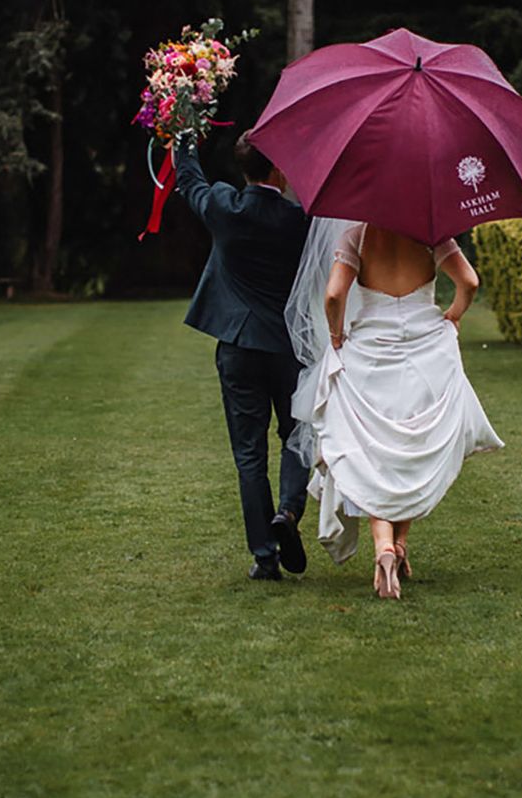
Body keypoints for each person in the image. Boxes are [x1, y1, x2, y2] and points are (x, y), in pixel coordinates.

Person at [286, 219, 503, 599]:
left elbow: (335, 295)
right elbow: (469, 281)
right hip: (426, 351)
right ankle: (399, 546)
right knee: (409, 450)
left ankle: (384, 548)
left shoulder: (356, 236)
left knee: (375, 453)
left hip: (372, 351)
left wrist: (337, 336)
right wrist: (453, 315)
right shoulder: (431, 234)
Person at [173, 134, 311, 581]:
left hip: (237, 346)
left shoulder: (224, 207)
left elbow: (189, 181)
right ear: (279, 171)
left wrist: (183, 139)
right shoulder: (299, 221)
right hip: (288, 347)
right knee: (297, 436)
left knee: (248, 454)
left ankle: (265, 557)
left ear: (245, 170)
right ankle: (288, 512)